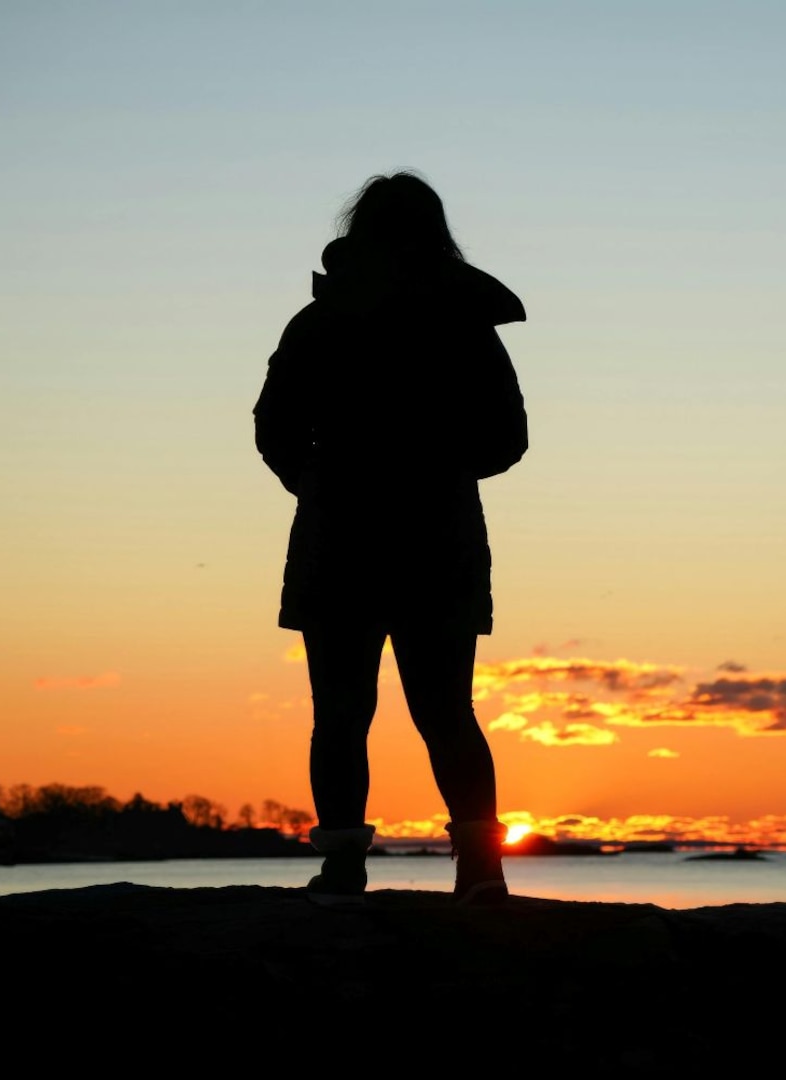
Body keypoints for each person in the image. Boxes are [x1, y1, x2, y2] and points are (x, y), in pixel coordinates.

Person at [253, 171, 528, 907]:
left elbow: (273, 429)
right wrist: (435, 471)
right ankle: (481, 871)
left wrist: (319, 481)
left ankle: (345, 869)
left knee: (341, 713)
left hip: (341, 539)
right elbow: (508, 440)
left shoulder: (319, 323)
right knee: (444, 712)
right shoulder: (464, 325)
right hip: (435, 539)